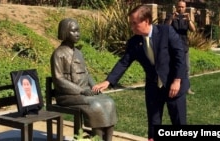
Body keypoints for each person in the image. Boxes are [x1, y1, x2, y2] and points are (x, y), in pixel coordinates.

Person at [92, 4, 189, 141]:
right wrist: (108, 81)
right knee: (154, 125)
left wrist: (177, 80)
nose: (131, 27)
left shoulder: (166, 32)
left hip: (174, 85)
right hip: (153, 88)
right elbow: (124, 62)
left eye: (134, 23)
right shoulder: (134, 42)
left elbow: (180, 56)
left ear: (146, 21)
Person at [50, 18, 117, 141]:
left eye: (78, 31)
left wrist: (94, 87)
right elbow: (58, 79)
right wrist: (81, 90)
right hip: (67, 95)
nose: (77, 34)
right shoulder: (58, 54)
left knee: (109, 102)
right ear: (65, 32)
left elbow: (86, 74)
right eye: (74, 31)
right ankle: (98, 139)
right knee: (95, 106)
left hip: (85, 91)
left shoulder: (78, 52)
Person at [165, 0, 196, 94]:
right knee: (172, 67)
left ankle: (186, 88)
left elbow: (193, 29)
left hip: (184, 47)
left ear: (185, 7)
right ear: (176, 7)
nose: (181, 8)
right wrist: (172, 19)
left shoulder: (187, 18)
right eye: (179, 6)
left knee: (186, 67)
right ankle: (171, 86)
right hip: (172, 47)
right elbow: (165, 28)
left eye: (182, 7)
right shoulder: (170, 16)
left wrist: (189, 20)